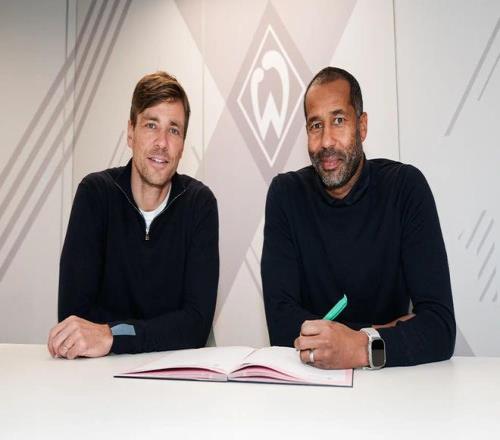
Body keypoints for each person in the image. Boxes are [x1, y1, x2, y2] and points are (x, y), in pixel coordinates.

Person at [261, 67, 455, 369]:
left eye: (339, 120)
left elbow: (439, 328)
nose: (326, 141)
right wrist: (385, 332)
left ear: (362, 127)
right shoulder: (286, 195)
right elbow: (281, 324)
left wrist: (360, 346)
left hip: (394, 385)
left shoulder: (405, 188)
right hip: (311, 385)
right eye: (315, 125)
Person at [47, 71, 219, 359]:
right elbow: (74, 318)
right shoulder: (96, 195)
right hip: (98, 371)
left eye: (174, 130)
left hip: (174, 371)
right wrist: (153, 332)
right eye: (151, 125)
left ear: (182, 145)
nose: (162, 142)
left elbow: (195, 325)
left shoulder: (199, 204)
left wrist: (112, 335)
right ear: (130, 132)